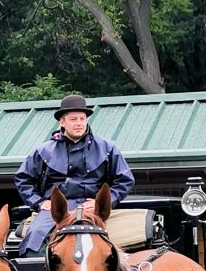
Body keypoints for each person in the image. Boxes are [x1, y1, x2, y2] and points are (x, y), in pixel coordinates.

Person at [14, 94, 135, 256]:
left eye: (82, 119)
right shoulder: (43, 151)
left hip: (92, 208)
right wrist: (39, 202)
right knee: (34, 240)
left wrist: (104, 202)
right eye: (73, 119)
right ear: (62, 122)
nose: (79, 123)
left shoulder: (107, 147)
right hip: (56, 210)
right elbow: (22, 178)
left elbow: (125, 180)